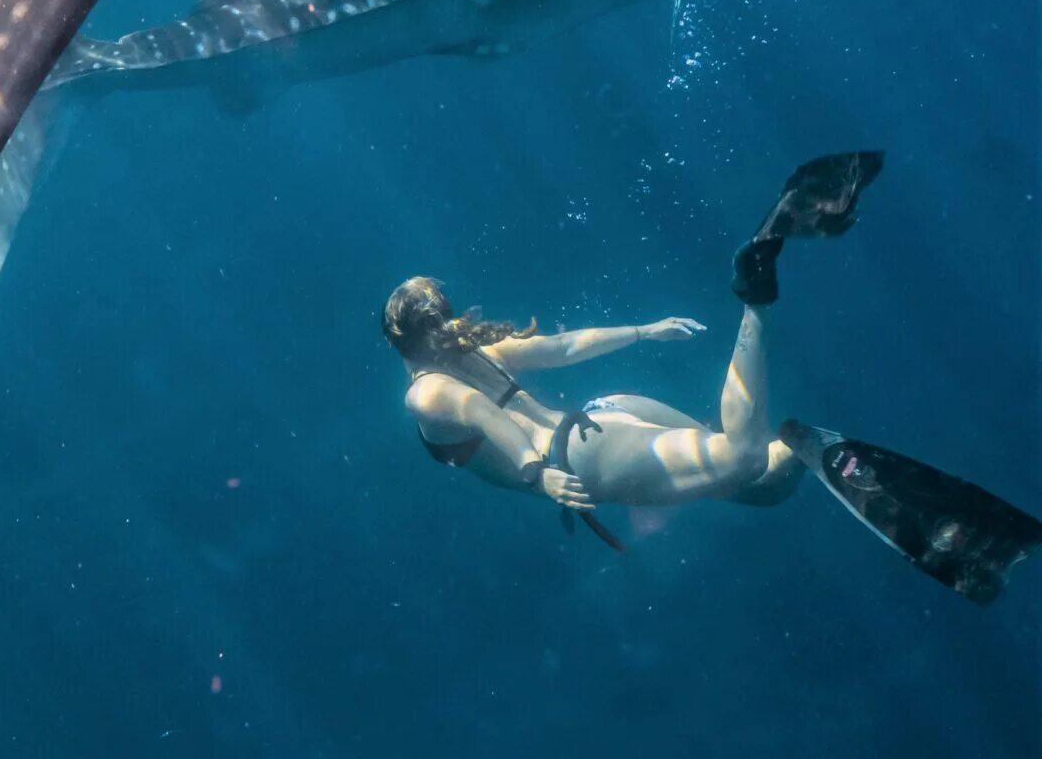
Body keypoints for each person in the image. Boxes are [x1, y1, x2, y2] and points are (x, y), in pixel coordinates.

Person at [383, 152, 1042, 603]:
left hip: (583, 457)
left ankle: (755, 296)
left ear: (400, 342)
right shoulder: (470, 354)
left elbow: (486, 420)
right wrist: (641, 330)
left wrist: (536, 472)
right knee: (764, 483)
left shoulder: (426, 389)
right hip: (607, 414)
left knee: (735, 455)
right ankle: (800, 450)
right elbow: (562, 346)